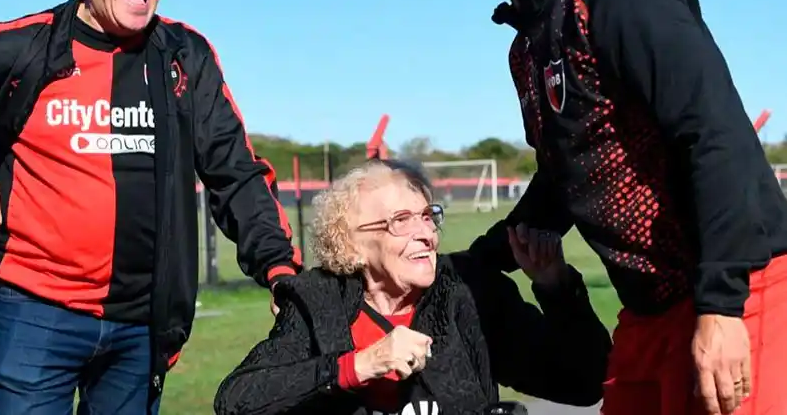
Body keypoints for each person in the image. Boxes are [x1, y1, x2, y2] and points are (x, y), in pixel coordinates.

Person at [418, 0, 787, 414]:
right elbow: (568, 173)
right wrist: (458, 265)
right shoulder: (528, 44)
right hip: (647, 316)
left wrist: (722, 309)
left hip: (739, 296)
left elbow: (714, 137)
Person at [0, 0, 301, 414]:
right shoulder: (17, 48)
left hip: (141, 329)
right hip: (34, 312)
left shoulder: (184, 58)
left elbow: (235, 172)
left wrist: (278, 267)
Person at [214, 159, 611, 415]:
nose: (425, 234)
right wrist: (360, 365)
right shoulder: (317, 300)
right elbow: (237, 399)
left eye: (427, 216)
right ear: (350, 243)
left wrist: (556, 289)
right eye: (399, 221)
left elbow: (581, 384)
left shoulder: (468, 291)